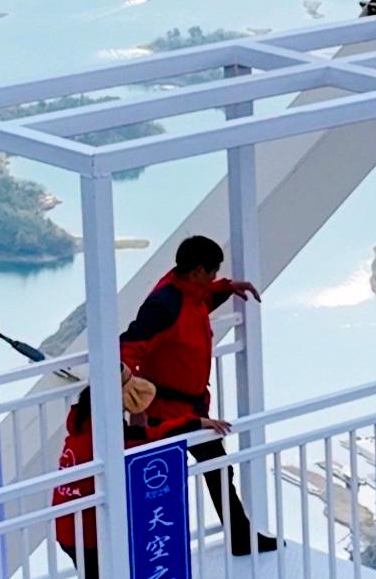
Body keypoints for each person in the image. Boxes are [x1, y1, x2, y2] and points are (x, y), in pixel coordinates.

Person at [55, 376, 229, 579]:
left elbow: (140, 435)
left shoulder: (81, 428)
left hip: (69, 528)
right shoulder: (110, 440)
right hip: (90, 532)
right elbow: (152, 437)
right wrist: (197, 423)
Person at [118, 234, 278, 555]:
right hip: (166, 412)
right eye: (213, 272)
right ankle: (149, 552)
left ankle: (240, 539)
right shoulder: (163, 306)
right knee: (161, 483)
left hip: (190, 409)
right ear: (197, 271)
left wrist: (228, 288)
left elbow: (201, 302)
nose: (215, 277)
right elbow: (128, 348)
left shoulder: (188, 294)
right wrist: (135, 399)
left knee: (217, 469)